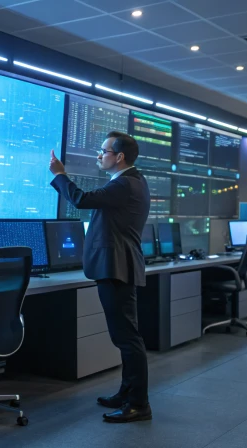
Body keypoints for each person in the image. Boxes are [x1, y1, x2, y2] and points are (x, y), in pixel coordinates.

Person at [48, 131, 152, 423]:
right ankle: (126, 393)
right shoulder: (133, 181)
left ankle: (139, 404)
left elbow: (80, 199)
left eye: (103, 151)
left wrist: (60, 175)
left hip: (116, 267)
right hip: (117, 265)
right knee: (124, 337)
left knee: (127, 338)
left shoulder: (125, 184)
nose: (99, 155)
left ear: (119, 157)